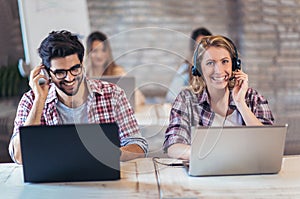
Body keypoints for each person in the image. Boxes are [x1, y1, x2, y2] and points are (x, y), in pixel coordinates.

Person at [8, 30, 148, 164]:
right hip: (52, 184)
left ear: (82, 64)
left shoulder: (113, 94)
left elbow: (138, 146)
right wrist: (39, 101)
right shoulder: (31, 100)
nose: (69, 78)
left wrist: (111, 154)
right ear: (46, 72)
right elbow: (19, 157)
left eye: (75, 69)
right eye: (60, 72)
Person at [163, 35, 274, 160]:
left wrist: (240, 103)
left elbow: (267, 144)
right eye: (210, 63)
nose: (219, 70)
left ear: (234, 65)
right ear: (199, 69)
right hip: (206, 173)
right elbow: (173, 146)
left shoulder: (252, 98)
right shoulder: (186, 99)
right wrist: (212, 155)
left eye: (225, 61)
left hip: (249, 174)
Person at [85, 31, 145, 106]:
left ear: (108, 52)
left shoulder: (117, 72)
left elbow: (139, 98)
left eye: (103, 50)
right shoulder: (83, 76)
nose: (99, 55)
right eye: (95, 51)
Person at [165, 27, 212, 103]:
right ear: (194, 48)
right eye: (198, 46)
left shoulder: (217, 68)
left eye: (205, 45)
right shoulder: (186, 69)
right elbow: (171, 97)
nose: (202, 49)